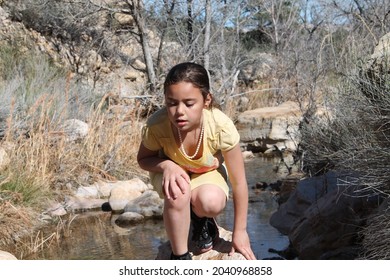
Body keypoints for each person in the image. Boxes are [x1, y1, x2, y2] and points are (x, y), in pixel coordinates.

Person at [137, 62, 256, 260]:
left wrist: (240, 231)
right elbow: (143, 159)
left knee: (210, 202)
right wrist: (167, 165)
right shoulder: (157, 126)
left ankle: (201, 220)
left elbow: (239, 182)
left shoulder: (220, 126)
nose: (179, 111)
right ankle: (180, 255)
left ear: (206, 100)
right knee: (178, 192)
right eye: (172, 103)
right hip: (170, 174)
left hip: (207, 173)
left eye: (189, 103)